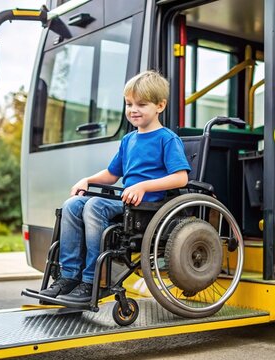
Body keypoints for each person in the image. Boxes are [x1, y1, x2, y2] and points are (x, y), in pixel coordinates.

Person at [40, 70, 191, 303]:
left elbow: (181, 178)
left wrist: (143, 187)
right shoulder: (128, 140)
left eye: (141, 104)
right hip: (126, 202)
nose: (133, 110)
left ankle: (91, 279)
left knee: (95, 206)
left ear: (160, 106)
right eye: (129, 104)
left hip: (149, 206)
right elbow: (112, 175)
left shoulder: (167, 139)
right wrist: (88, 180)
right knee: (72, 204)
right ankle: (68, 276)